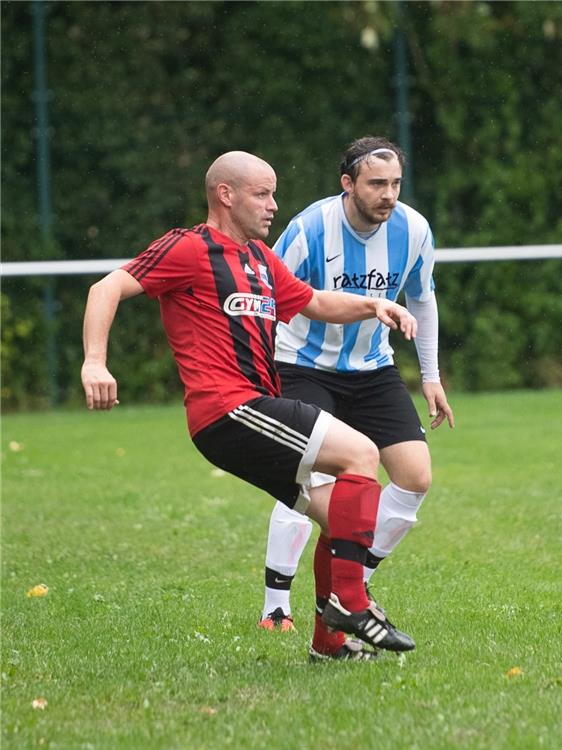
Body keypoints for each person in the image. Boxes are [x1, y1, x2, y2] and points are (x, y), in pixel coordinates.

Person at [81, 151, 419, 662]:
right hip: (227, 408)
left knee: (342, 519)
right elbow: (107, 287)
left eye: (274, 194)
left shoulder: (261, 260)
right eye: (262, 194)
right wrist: (94, 362)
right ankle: (352, 603)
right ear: (226, 195)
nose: (273, 206)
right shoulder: (189, 248)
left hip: (253, 408)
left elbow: (316, 303)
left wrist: (375, 304)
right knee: (361, 454)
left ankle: (328, 644)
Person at [256, 137, 453, 636]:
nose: (389, 195)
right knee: (312, 482)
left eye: (395, 184)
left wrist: (430, 375)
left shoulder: (414, 230)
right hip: (303, 365)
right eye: (376, 184)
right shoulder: (308, 228)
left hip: (373, 369)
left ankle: (353, 588)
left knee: (415, 477)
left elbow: (422, 301)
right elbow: (267, 294)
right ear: (348, 184)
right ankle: (277, 604)